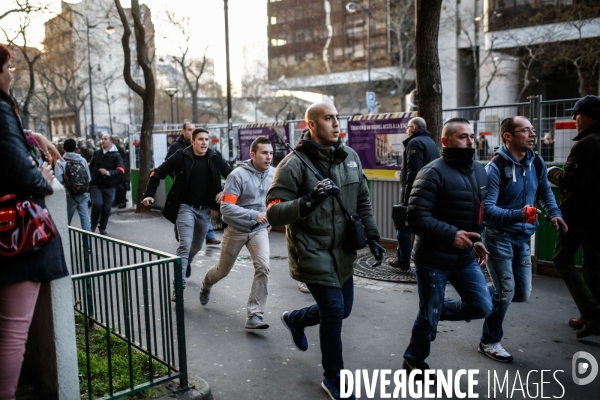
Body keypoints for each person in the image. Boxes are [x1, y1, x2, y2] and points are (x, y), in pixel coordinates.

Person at [267, 102, 384, 400]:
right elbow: (274, 213)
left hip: (344, 251)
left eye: (337, 117)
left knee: (343, 309)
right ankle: (333, 377)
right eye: (328, 118)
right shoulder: (292, 165)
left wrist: (373, 237)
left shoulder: (351, 158)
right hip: (311, 251)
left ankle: (296, 319)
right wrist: (309, 200)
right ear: (311, 125)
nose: (335, 123)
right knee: (333, 311)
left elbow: (362, 203)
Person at [0, 43, 69, 400]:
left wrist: (34, 136)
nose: (11, 74)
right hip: (15, 235)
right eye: (8, 67)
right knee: (13, 332)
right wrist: (42, 176)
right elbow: (19, 169)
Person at [402, 117, 492, 375]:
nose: (470, 141)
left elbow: (476, 214)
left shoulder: (478, 170)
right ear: (446, 140)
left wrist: (477, 240)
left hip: (464, 258)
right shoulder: (432, 172)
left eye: (472, 136)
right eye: (463, 136)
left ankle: (433, 311)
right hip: (433, 259)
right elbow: (416, 217)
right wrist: (452, 235)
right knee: (427, 318)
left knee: (482, 306)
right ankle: (413, 360)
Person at [479, 116, 566, 363]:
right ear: (508, 136)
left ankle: (482, 292)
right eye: (525, 130)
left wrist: (555, 214)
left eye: (533, 130)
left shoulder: (536, 162)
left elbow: (545, 193)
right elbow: (488, 210)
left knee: (520, 293)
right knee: (506, 291)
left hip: (523, 237)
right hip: (498, 237)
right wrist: (519, 214)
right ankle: (489, 341)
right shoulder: (495, 168)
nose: (532, 134)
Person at [142, 127, 232, 300]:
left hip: (204, 210)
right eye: (200, 139)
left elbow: (233, 176)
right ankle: (179, 284)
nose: (204, 142)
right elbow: (158, 172)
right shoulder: (181, 156)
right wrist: (148, 194)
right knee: (184, 245)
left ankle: (187, 261)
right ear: (192, 141)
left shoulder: (214, 157)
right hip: (185, 207)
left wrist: (226, 192)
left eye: (206, 139)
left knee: (197, 246)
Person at [200, 136, 275, 329]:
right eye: (264, 153)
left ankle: (255, 315)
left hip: (259, 231)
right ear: (252, 154)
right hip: (236, 229)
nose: (269, 157)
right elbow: (226, 208)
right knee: (222, 271)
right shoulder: (237, 175)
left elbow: (275, 201)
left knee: (263, 267)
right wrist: (254, 215)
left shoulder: (274, 174)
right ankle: (206, 284)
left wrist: (271, 219)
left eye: (271, 153)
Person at [548, 95, 600, 338]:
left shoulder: (587, 143)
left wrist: (552, 172)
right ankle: (589, 313)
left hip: (579, 214)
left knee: (562, 259)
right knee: (593, 263)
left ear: (589, 116)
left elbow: (571, 181)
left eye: (576, 114)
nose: (573, 118)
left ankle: (592, 314)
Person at [388, 116, 439, 270]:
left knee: (403, 226)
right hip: (429, 192)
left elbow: (413, 172)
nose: (406, 130)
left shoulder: (415, 142)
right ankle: (425, 259)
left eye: (408, 127)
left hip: (415, 192)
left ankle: (402, 261)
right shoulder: (431, 143)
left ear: (414, 128)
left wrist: (406, 198)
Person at [167, 121, 221, 245]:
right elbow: (168, 166)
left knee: (203, 210)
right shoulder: (176, 147)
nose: (204, 142)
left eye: (206, 139)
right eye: (189, 129)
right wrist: (179, 176)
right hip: (184, 194)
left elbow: (227, 171)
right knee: (184, 222)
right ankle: (180, 231)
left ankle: (209, 236)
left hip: (203, 199)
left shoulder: (209, 153)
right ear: (184, 131)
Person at [89, 133, 125, 235]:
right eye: (102, 139)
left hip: (109, 185)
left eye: (105, 139)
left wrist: (108, 172)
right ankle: (93, 225)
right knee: (97, 203)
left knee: (107, 208)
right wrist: (91, 175)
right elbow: (91, 166)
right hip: (96, 184)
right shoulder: (96, 153)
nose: (103, 141)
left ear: (111, 141)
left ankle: (102, 227)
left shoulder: (116, 155)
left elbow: (121, 169)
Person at [55, 138, 92, 231]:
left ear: (64, 149)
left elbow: (58, 180)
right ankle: (87, 244)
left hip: (69, 194)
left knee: (66, 221)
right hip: (83, 193)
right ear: (75, 148)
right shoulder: (82, 160)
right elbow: (88, 178)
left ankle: (66, 243)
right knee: (85, 219)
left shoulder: (60, 162)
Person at [111, 136, 129, 209]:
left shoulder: (120, 148)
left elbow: (123, 159)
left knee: (121, 186)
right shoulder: (115, 148)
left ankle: (122, 201)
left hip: (121, 169)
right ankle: (118, 201)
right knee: (117, 186)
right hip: (117, 169)